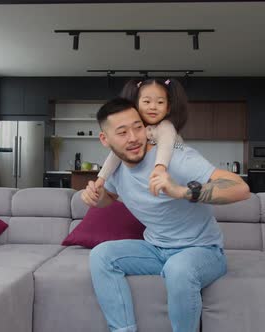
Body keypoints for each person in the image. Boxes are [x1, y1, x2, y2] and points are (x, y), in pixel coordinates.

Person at [81, 98, 251, 332]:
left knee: (177, 269)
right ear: (105, 139)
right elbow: (109, 197)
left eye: (138, 127)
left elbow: (241, 188)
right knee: (101, 255)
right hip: (157, 249)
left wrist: (182, 191)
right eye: (122, 132)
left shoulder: (177, 158)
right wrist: (95, 197)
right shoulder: (115, 168)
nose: (133, 138)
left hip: (202, 249)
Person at [95, 78, 187, 194]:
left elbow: (166, 145)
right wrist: (102, 178)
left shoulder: (166, 127)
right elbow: (116, 153)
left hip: (171, 172)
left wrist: (160, 168)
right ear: (136, 105)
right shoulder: (137, 129)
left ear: (168, 108)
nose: (153, 107)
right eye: (147, 102)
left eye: (160, 102)